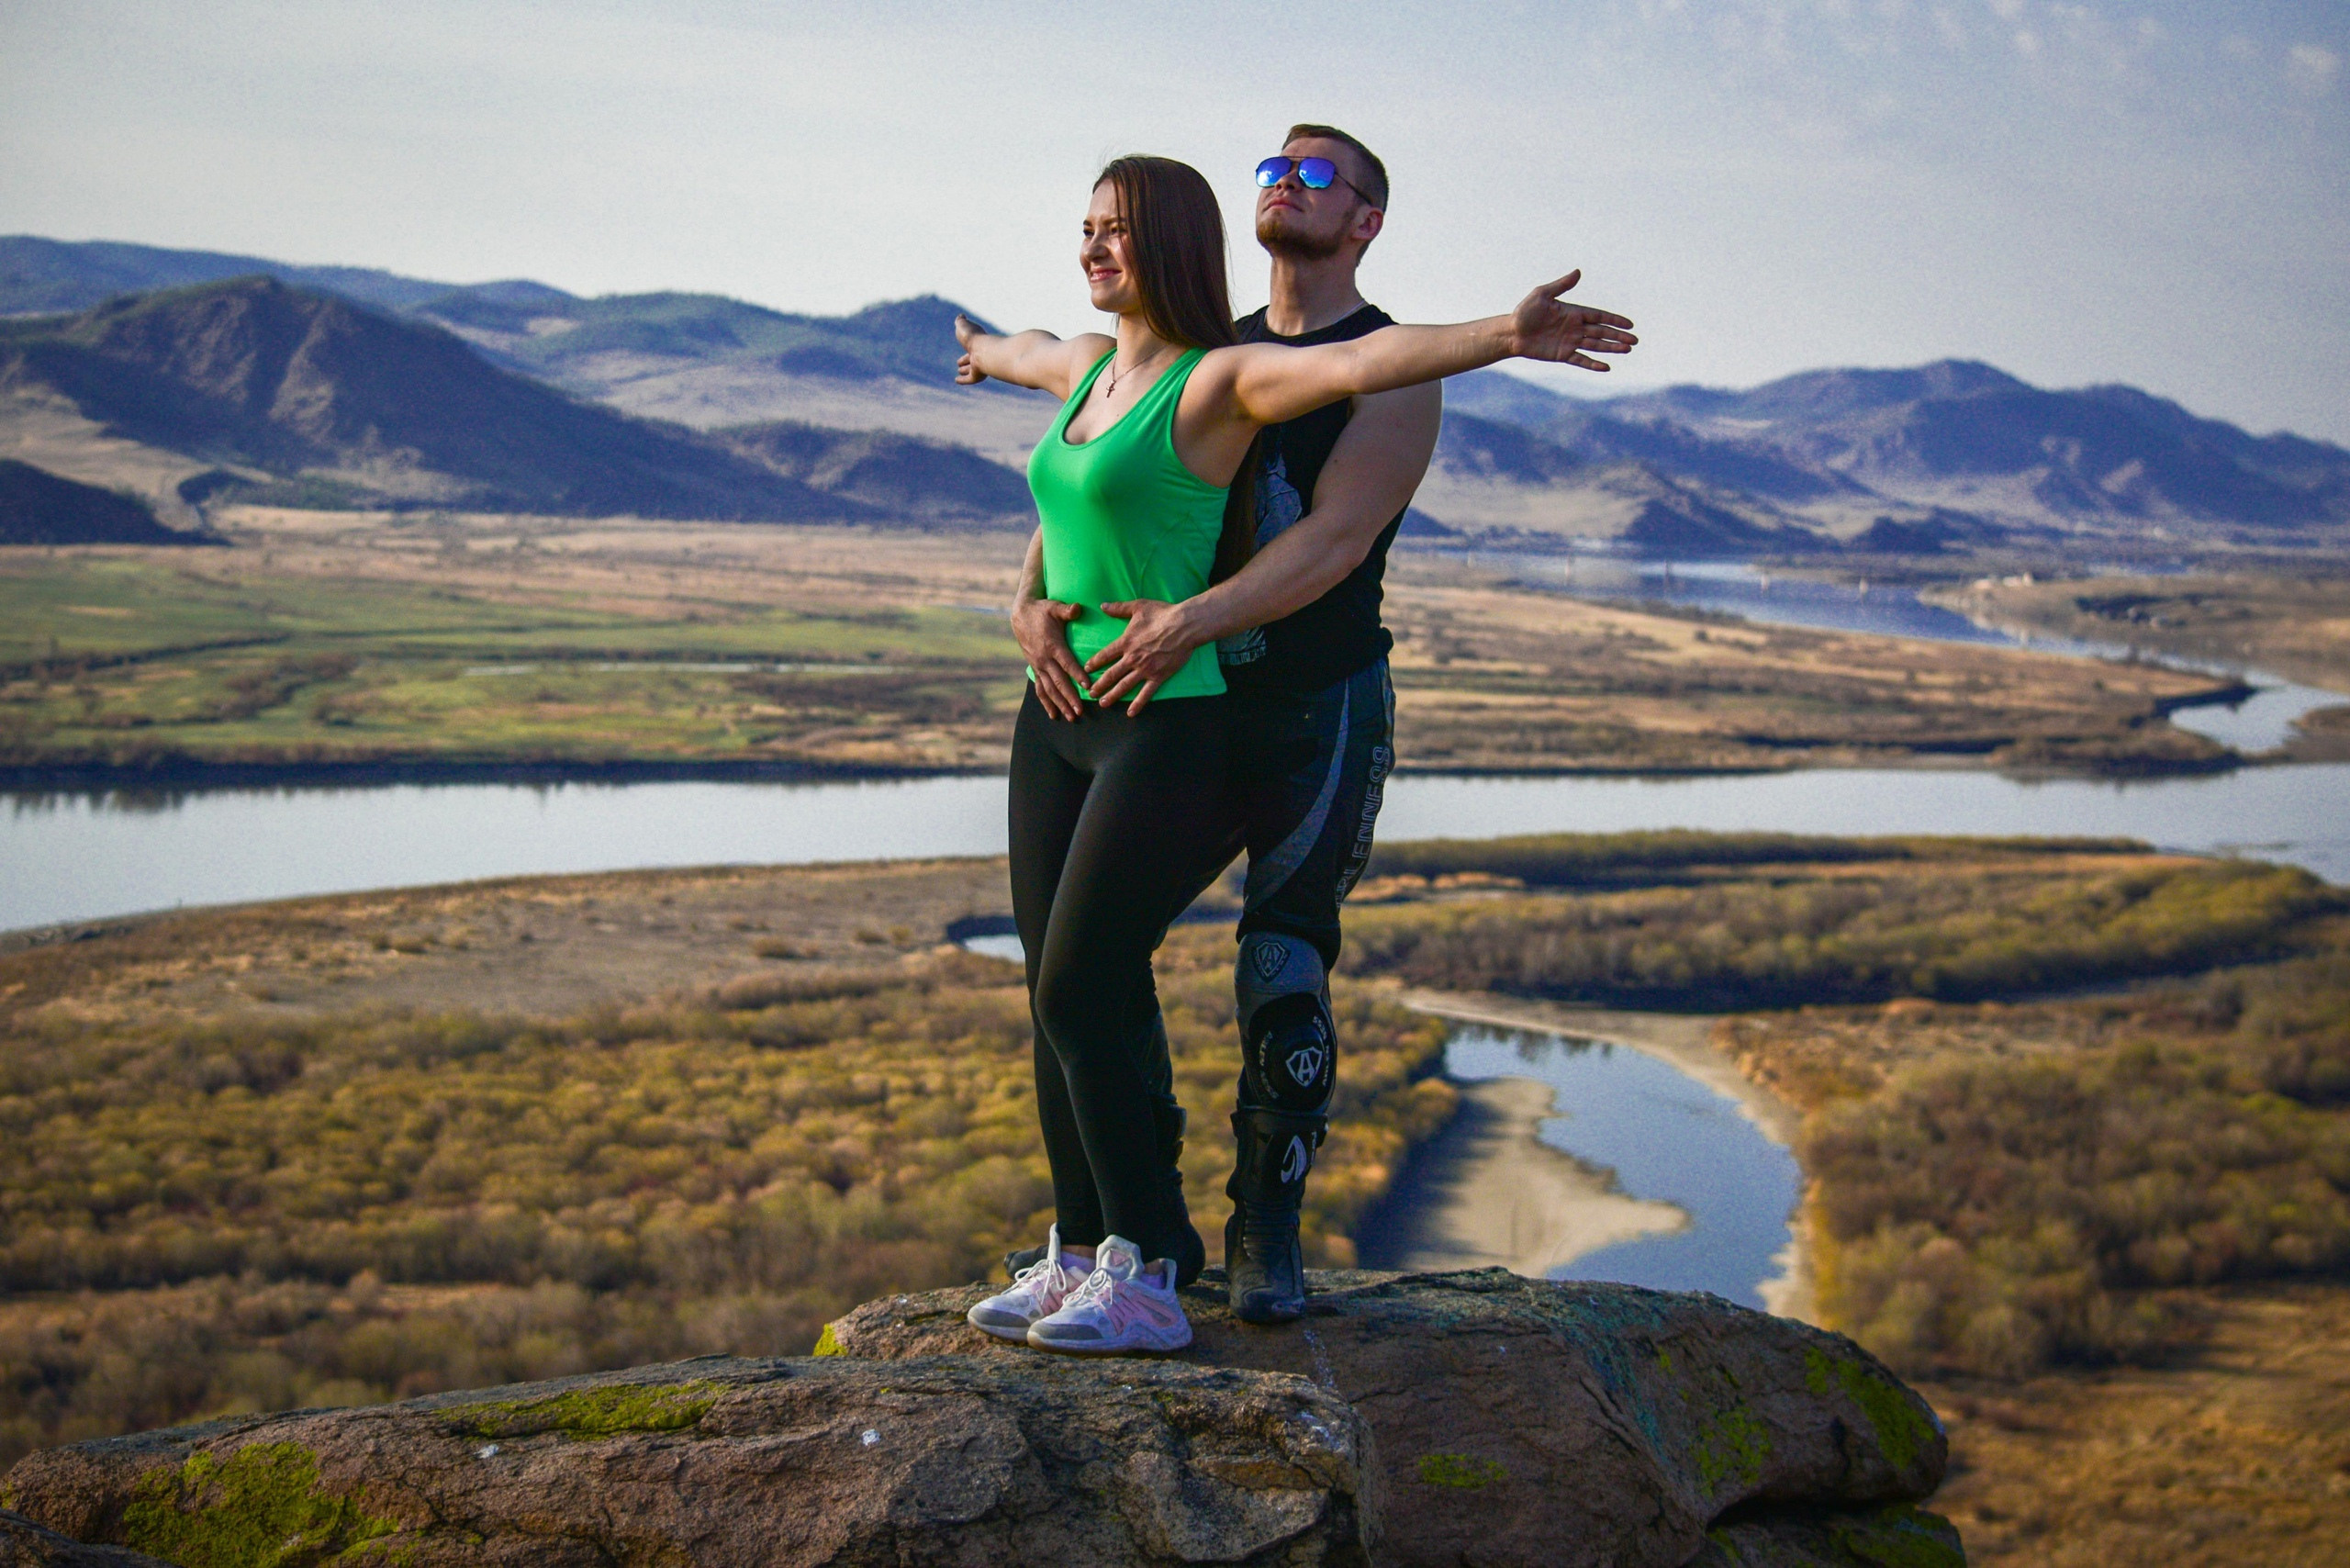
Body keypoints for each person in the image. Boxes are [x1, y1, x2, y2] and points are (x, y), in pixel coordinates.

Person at [962, 152, 1637, 1356]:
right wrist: (1024, 599)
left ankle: (1219, 1244)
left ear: (1365, 217)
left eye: (1316, 172)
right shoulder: (1152, 355)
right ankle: (1093, 1248)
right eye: (1274, 164)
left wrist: (1501, 332)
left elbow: (1337, 504)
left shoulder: (1278, 371)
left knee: (1255, 965)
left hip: (1287, 702)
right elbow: (1067, 478)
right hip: (1122, 692)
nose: (1286, 178)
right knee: (1067, 980)